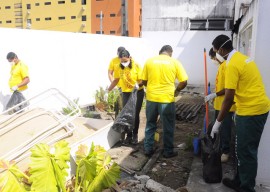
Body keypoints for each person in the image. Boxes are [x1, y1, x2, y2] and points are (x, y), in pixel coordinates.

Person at [211, 34, 270, 192]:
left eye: (216, 51)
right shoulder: (241, 58)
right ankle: (239, 180)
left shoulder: (231, 65)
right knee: (240, 148)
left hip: (252, 111)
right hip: (250, 107)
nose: (215, 54)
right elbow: (233, 88)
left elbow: (229, 98)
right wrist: (214, 95)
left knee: (247, 151)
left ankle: (247, 188)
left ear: (222, 49)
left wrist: (218, 122)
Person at [140, 45, 188, 158]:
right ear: (170, 53)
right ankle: (168, 151)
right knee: (168, 126)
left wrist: (151, 88)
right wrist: (177, 90)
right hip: (167, 99)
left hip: (151, 99)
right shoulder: (174, 62)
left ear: (160, 52)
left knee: (150, 124)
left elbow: (144, 81)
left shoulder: (149, 61)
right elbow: (184, 81)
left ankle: (148, 149)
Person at [205, 48, 236, 163]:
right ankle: (218, 148)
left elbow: (228, 88)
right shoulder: (222, 66)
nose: (213, 60)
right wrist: (214, 97)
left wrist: (214, 94)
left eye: (213, 58)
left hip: (226, 106)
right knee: (218, 129)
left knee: (225, 129)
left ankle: (225, 151)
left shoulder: (227, 66)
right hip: (219, 104)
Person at [108, 49, 144, 145]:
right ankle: (129, 135)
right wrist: (109, 89)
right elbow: (116, 80)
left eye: (125, 61)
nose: (124, 63)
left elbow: (142, 80)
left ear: (129, 58)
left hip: (137, 92)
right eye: (122, 61)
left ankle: (135, 135)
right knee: (126, 114)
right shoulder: (118, 67)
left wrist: (138, 85)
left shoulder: (136, 66)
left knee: (135, 114)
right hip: (126, 93)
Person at [108, 46, 125, 118]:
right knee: (118, 105)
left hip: (127, 87)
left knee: (125, 106)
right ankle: (118, 121)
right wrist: (113, 84)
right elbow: (110, 73)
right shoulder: (113, 61)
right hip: (118, 87)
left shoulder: (128, 60)